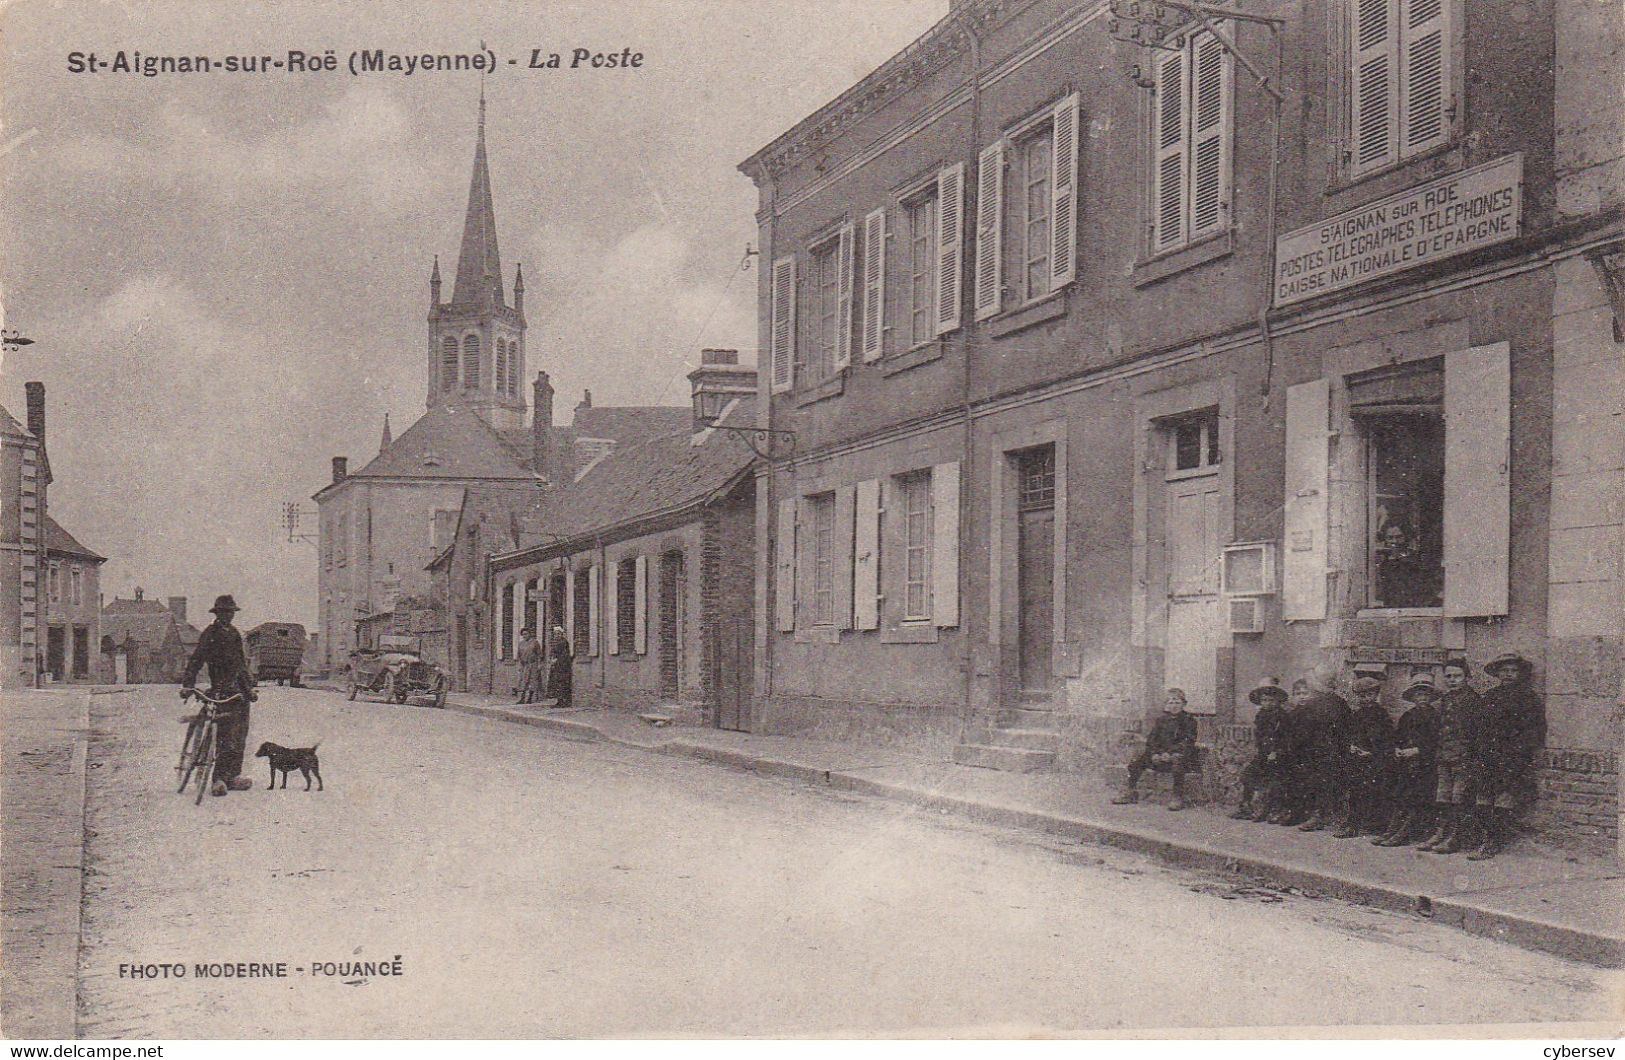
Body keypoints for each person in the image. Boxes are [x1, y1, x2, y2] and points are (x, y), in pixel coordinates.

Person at [1464, 652, 1545, 860]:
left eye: (1513, 671)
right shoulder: (1490, 696)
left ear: (1519, 674)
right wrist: (1477, 751)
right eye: (1504, 671)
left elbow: (1534, 730)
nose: (1509, 674)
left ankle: (1494, 841)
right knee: (1483, 796)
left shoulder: (1528, 698)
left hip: (1512, 757)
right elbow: (1478, 726)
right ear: (1498, 673)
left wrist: (1519, 753)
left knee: (1504, 798)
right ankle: (1485, 836)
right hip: (1488, 755)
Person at [179, 594, 257, 797]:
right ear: (217, 613)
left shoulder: (234, 634)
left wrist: (249, 689)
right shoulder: (209, 634)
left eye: (230, 612)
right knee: (225, 734)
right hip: (219, 690)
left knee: (240, 735)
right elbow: (196, 660)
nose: (228, 616)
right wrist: (188, 685)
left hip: (237, 691)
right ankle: (219, 779)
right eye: (224, 612)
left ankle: (233, 776)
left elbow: (241, 665)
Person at [1420, 658, 1484, 853]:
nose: (1452, 680)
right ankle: (1440, 832)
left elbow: (1476, 733)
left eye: (1457, 676)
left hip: (1463, 758)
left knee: (1459, 798)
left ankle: (1456, 837)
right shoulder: (1446, 699)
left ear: (1467, 677)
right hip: (1444, 756)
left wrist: (1470, 756)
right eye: (1448, 676)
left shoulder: (1473, 701)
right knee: (1443, 797)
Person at [1375, 676, 1440, 846]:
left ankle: (1403, 834)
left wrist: (1418, 750)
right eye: (1418, 695)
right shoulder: (1407, 716)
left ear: (1431, 697)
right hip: (1407, 765)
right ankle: (1391, 830)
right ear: (1413, 698)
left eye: (1426, 695)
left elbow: (1436, 742)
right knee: (1401, 797)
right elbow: (1398, 737)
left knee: (1415, 800)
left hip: (1425, 765)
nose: (1422, 699)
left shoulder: (1435, 716)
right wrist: (1397, 748)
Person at [1112, 688, 1199, 811]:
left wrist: (1170, 753)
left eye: (1177, 703)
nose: (1174, 706)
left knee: (1178, 763)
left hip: (1179, 756)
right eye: (1170, 702)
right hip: (1160, 757)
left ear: (1184, 704)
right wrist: (1155, 754)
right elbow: (1152, 740)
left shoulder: (1189, 721)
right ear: (1166, 705)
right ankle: (1130, 791)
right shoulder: (1161, 721)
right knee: (1137, 762)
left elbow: (1188, 742)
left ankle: (1177, 796)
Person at [1336, 675, 1394, 838]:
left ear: (1376, 695)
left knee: (1375, 792)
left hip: (1375, 761)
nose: (1366, 698)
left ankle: (1376, 824)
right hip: (1357, 761)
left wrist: (1373, 753)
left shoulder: (1382, 715)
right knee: (1355, 792)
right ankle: (1352, 824)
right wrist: (1351, 746)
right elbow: (1348, 735)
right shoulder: (1356, 715)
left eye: (1369, 694)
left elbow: (1387, 740)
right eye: (1362, 695)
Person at [1295, 669, 1350, 832]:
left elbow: (1344, 728)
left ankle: (1323, 816)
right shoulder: (1321, 703)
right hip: (1317, 750)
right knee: (1318, 782)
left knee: (1327, 783)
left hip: (1330, 750)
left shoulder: (1336, 703)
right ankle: (1320, 814)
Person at [1232, 679, 1289, 821]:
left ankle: (1274, 810)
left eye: (1271, 700)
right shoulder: (1261, 716)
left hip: (1279, 755)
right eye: (1264, 700)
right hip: (1264, 754)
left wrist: (1275, 751)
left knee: (1274, 780)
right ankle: (1246, 807)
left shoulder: (1282, 716)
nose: (1267, 703)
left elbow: (1285, 738)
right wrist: (1262, 751)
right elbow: (1260, 736)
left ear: (1278, 700)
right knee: (1247, 775)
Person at [545, 624, 574, 709]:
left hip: (563, 666)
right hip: (556, 666)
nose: (557, 635)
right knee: (556, 683)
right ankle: (559, 701)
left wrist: (557, 660)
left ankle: (565, 701)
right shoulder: (555, 642)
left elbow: (565, 655)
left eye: (559, 634)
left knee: (563, 683)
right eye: (555, 634)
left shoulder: (564, 642)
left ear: (562, 634)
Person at [516, 626, 545, 704]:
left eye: (526, 634)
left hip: (533, 664)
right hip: (525, 664)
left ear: (529, 634)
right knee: (524, 681)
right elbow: (518, 655)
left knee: (533, 681)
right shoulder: (521, 644)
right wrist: (520, 665)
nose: (525, 636)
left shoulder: (535, 642)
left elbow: (539, 654)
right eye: (523, 634)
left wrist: (539, 664)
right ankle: (522, 698)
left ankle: (530, 698)